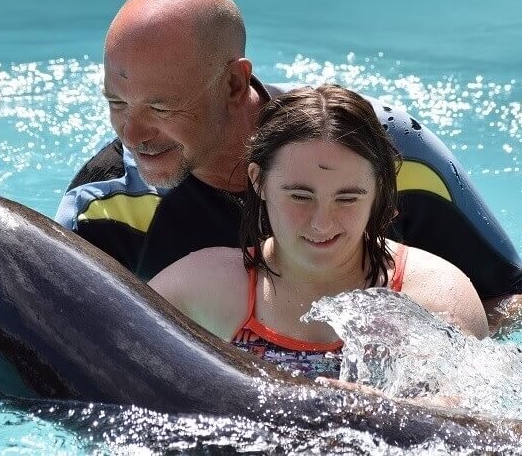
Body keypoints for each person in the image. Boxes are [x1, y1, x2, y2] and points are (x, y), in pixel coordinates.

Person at [0, 0, 522, 337]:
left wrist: (419, 392)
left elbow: (511, 299)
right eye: (116, 104)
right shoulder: (107, 200)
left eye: (161, 108)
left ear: (236, 83)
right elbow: (55, 346)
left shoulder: (377, 153)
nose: (132, 135)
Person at [149, 85, 488, 379]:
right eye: (300, 196)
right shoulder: (198, 290)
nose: (322, 223)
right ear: (258, 181)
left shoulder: (435, 296)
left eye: (347, 198)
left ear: (380, 189)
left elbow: (464, 418)